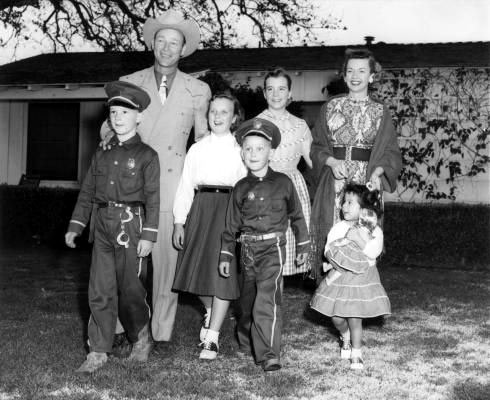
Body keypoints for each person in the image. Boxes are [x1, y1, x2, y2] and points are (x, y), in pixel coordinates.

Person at [101, 9, 212, 343]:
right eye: (161, 40)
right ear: (152, 44)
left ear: (183, 49)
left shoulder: (199, 89)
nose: (166, 48)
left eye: (174, 43)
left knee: (166, 264)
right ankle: (124, 327)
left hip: (173, 184)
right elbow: (109, 125)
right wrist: (107, 134)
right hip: (131, 184)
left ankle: (161, 331)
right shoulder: (130, 82)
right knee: (126, 258)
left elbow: (204, 138)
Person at [65, 81, 160, 373]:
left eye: (125, 112)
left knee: (131, 289)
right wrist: (76, 225)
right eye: (114, 112)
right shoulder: (102, 152)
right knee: (100, 288)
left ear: (139, 117)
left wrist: (149, 234)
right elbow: (88, 191)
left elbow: (154, 198)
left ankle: (140, 336)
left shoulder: (147, 155)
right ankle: (98, 349)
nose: (118, 118)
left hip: (131, 226)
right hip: (102, 225)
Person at [219, 118, 310, 372]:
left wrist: (303, 247)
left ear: (271, 152)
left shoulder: (283, 182)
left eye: (260, 148)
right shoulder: (239, 188)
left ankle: (270, 353)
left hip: (274, 250)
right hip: (248, 252)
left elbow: (297, 216)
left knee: (267, 301)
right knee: (247, 303)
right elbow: (230, 226)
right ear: (242, 154)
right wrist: (226, 255)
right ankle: (246, 338)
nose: (254, 154)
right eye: (248, 149)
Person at [309, 48, 402, 283]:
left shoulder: (381, 111)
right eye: (350, 70)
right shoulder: (330, 107)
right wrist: (331, 162)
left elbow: (391, 152)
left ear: (371, 76)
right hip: (336, 181)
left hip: (366, 183)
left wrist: (379, 172)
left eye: (362, 70)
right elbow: (317, 146)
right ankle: (330, 295)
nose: (355, 75)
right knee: (334, 235)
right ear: (344, 75)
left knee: (362, 238)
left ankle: (359, 298)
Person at [171, 93, 247, 360]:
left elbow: (246, 188)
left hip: (228, 211)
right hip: (201, 210)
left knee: (223, 275)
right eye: (213, 111)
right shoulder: (197, 148)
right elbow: (185, 187)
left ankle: (212, 338)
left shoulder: (241, 149)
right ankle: (212, 311)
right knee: (199, 273)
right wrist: (180, 221)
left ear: (235, 117)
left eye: (224, 112)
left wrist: (242, 222)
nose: (217, 116)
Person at [310, 183, 390, 370]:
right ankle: (344, 334)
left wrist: (359, 239)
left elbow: (373, 252)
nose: (344, 206)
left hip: (362, 279)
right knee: (337, 317)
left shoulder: (374, 230)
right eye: (344, 202)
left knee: (355, 316)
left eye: (349, 202)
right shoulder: (339, 227)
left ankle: (357, 353)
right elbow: (329, 248)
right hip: (341, 277)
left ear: (363, 209)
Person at [257, 68, 313, 276]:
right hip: (265, 186)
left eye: (281, 89)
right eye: (270, 89)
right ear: (264, 93)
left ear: (290, 93)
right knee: (267, 256)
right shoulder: (256, 124)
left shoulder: (300, 125)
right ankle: (269, 305)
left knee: (289, 246)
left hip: (292, 188)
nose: (276, 94)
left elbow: (311, 161)